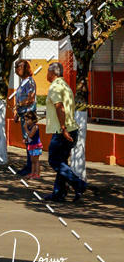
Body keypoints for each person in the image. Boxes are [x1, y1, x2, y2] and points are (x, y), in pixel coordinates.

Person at [44, 62, 86, 202]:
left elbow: (59, 107)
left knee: (54, 160)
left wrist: (63, 128)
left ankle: (78, 184)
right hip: (71, 129)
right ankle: (59, 193)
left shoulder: (55, 87)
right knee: (62, 161)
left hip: (62, 130)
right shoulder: (65, 86)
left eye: (48, 72)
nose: (46, 74)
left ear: (53, 73)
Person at [14, 59, 37, 176]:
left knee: (30, 141)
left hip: (29, 116)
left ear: (26, 69)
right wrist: (17, 113)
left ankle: (31, 167)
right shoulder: (23, 82)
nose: (17, 69)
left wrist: (20, 105)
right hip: (23, 115)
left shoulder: (30, 83)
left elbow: (31, 99)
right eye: (16, 67)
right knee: (27, 141)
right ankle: (29, 166)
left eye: (19, 67)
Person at [23, 110, 42, 179]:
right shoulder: (29, 127)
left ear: (33, 120)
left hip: (36, 146)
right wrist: (26, 140)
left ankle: (37, 174)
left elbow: (31, 135)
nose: (26, 122)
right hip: (31, 145)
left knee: (36, 160)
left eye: (27, 120)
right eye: (25, 120)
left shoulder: (35, 127)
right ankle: (32, 173)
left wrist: (25, 129)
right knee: (32, 161)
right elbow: (29, 137)